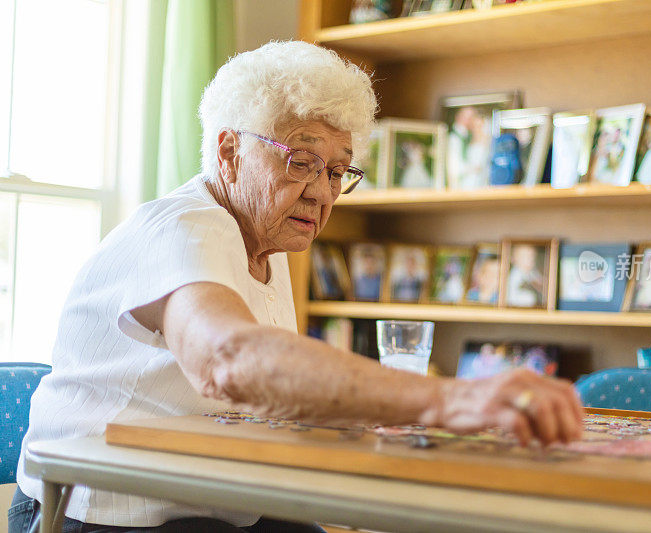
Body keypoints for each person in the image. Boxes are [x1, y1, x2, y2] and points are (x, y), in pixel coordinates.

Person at [12, 41, 583, 533]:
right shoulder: (184, 227)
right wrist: (453, 400)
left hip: (216, 500)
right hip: (104, 511)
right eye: (301, 161)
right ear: (229, 152)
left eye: (337, 171)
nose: (322, 192)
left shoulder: (265, 240)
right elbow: (228, 360)